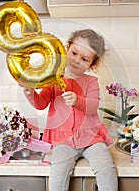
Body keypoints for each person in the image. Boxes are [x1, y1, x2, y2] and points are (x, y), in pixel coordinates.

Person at [23, 29, 118, 191]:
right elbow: (41, 104)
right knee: (58, 173)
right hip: (63, 140)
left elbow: (93, 105)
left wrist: (77, 101)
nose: (76, 60)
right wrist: (29, 91)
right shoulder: (53, 79)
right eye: (74, 53)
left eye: (84, 59)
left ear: (91, 64)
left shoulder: (91, 82)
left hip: (90, 138)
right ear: (67, 48)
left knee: (106, 169)